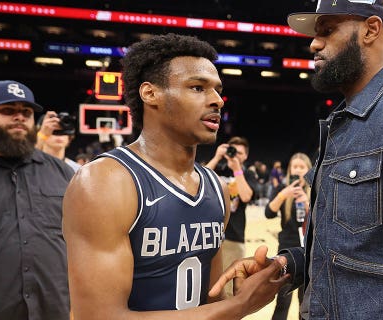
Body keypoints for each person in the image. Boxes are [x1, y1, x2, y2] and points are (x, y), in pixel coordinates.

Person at [213, 1, 383, 319]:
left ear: (370, 30)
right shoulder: (343, 122)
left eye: (327, 30)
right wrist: (287, 264)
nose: (314, 42)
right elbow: (348, 249)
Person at [62, 34, 286, 320]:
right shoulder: (105, 182)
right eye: (197, 87)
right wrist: (240, 305)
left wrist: (240, 291)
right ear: (150, 93)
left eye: (218, 90)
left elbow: (210, 301)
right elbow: (98, 316)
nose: (217, 100)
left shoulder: (215, 187)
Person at [0, 80, 75, 319]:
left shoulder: (61, 173)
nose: (19, 117)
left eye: (26, 112)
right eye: (7, 110)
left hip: (52, 312)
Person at [205, 136, 259, 295]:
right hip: (210, 234)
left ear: (246, 156)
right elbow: (199, 181)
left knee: (228, 290)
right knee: (207, 286)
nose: (236, 155)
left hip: (234, 237)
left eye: (240, 153)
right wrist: (216, 157)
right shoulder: (219, 169)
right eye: (233, 151)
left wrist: (237, 169)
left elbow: (246, 196)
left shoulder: (248, 174)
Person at [264, 153, 312, 320]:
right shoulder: (282, 190)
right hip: (287, 251)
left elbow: (320, 220)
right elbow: (268, 212)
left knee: (305, 301)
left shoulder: (315, 190)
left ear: (309, 169)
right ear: (289, 169)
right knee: (283, 299)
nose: (298, 170)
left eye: (302, 167)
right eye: (295, 167)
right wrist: (284, 194)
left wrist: (307, 202)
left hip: (309, 250)